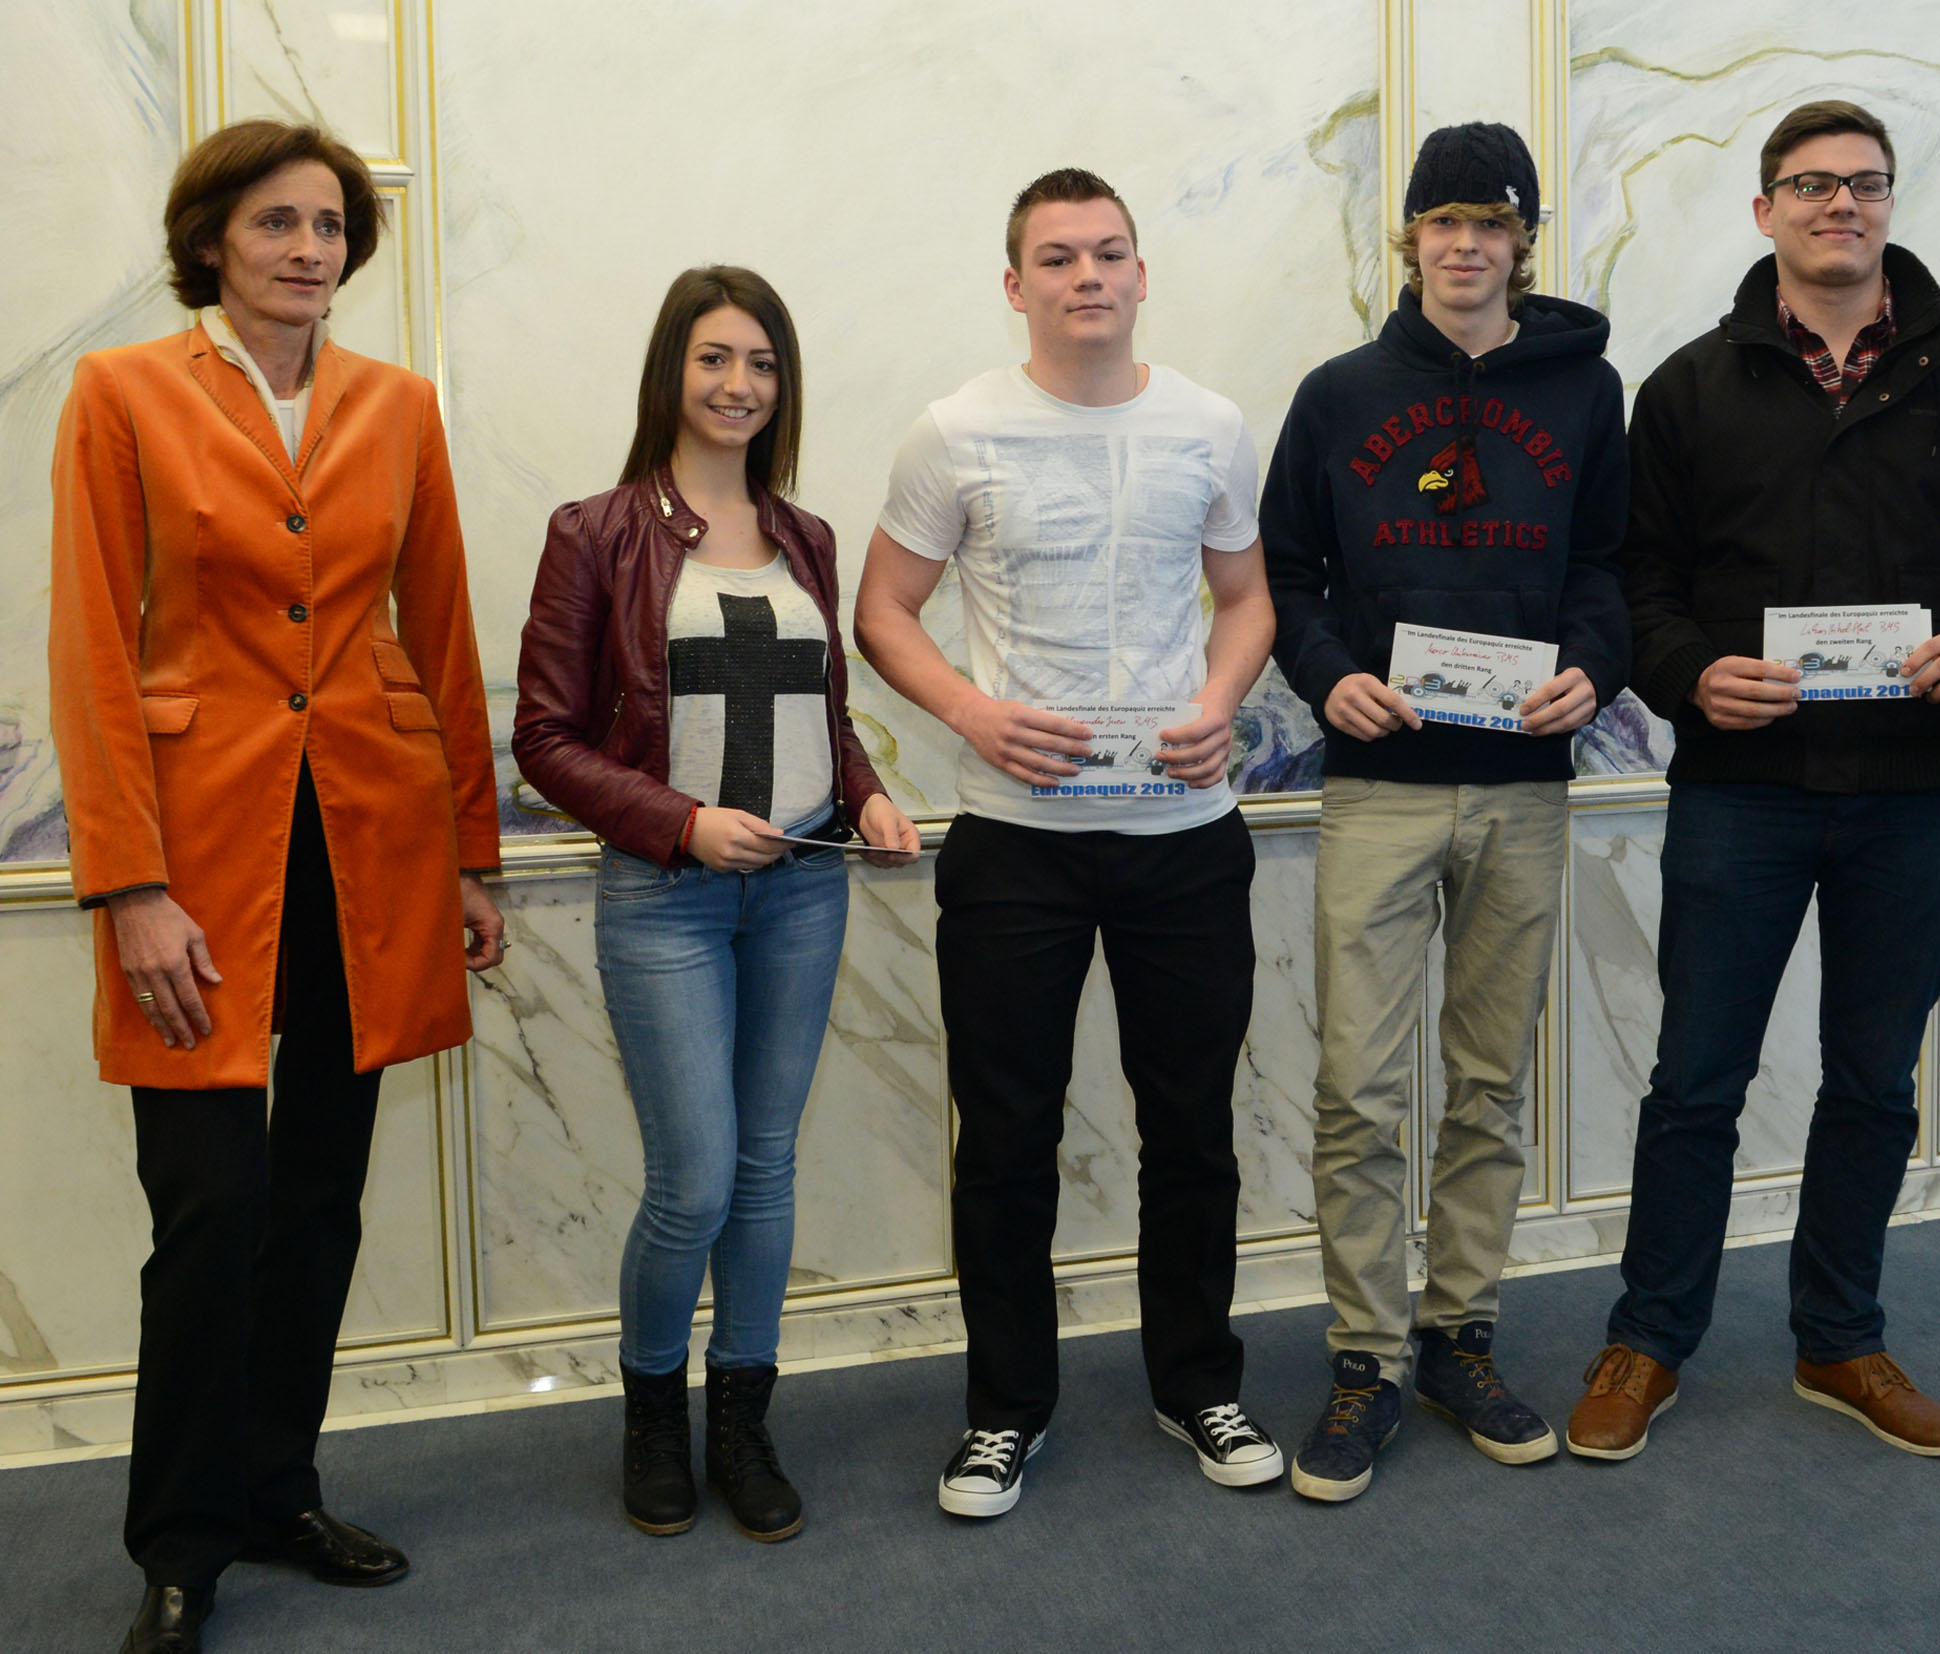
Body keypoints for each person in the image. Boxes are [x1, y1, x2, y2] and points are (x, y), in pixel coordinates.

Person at [1564, 100, 1940, 1463]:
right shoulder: (1689, 387)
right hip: (1741, 788)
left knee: (1872, 1081)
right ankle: (1648, 1336)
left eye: (1863, 183)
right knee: (1695, 1078)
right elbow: (1636, 578)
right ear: (1765, 213)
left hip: (1917, 789)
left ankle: (1840, 1337)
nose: (1838, 205)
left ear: (1890, 204)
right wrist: (1688, 672)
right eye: (1809, 185)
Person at [47, 120, 506, 1654]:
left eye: (329, 225)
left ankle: (275, 1488)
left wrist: (472, 855)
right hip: (192, 857)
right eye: (275, 222)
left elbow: (440, 630)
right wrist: (128, 881)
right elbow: (93, 648)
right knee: (211, 1208)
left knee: (316, 1197)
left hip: (368, 844)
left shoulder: (399, 406)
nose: (309, 248)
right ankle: (180, 1544)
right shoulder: (121, 392)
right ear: (211, 242)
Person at [854, 168, 1282, 1517]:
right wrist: (969, 711)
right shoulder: (953, 431)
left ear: (1141, 275)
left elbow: (1246, 597)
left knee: (1192, 1130)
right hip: (1016, 843)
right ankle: (1003, 1410)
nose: (1085, 275)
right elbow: (884, 608)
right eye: (1056, 257)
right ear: (1015, 284)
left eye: (1107, 253)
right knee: (1005, 1139)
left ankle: (1196, 1382)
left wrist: (1220, 701)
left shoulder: (1210, 424)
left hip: (1184, 836)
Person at [513, 267, 918, 1543]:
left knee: (763, 1167)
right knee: (690, 1180)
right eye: (713, 358)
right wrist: (680, 822)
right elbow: (543, 738)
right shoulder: (595, 533)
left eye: (761, 362)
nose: (738, 385)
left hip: (801, 893)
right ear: (670, 373)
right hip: (666, 898)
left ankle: (742, 1421)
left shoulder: (807, 536)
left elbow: (822, 715)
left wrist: (866, 796)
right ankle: (652, 1416)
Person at [1259, 122, 1629, 1501]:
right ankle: (1363, 1356)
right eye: (1443, 222)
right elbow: (1283, 568)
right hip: (1379, 785)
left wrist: (1594, 666)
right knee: (1359, 1089)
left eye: (1491, 223)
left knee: (1488, 1084)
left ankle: (1457, 1335)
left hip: (1523, 788)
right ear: (1408, 238)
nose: (1465, 245)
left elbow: (1610, 565)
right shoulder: (1339, 394)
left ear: (1522, 242)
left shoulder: (1586, 390)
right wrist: (1327, 673)